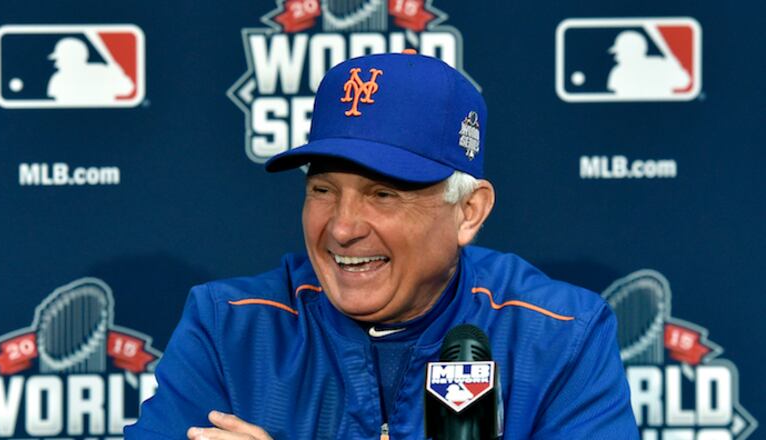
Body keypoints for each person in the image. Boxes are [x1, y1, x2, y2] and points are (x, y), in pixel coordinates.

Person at [125, 52, 639, 439]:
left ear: (469, 211)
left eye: (383, 194)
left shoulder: (557, 335)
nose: (343, 227)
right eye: (322, 190)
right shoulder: (231, 327)